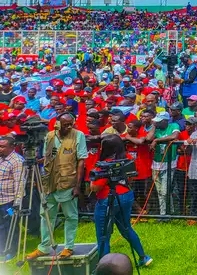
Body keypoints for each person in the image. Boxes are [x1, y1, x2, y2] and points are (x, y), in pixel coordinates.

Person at [28, 113, 87, 260]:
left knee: (70, 216)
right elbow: (48, 157)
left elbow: (81, 161)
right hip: (49, 183)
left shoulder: (78, 135)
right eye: (65, 124)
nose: (69, 126)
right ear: (58, 124)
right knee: (46, 216)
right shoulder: (49, 136)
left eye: (71, 123)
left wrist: (78, 186)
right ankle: (44, 247)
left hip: (68, 182)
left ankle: (69, 247)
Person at [89, 135, 152, 266]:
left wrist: (93, 179)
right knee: (126, 228)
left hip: (107, 199)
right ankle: (143, 257)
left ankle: (104, 268)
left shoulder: (104, 165)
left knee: (103, 236)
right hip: (126, 196)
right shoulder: (127, 159)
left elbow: (95, 187)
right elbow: (130, 178)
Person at [0, 136, 24, 260]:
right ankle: (2, 250)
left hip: (9, 201)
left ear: (11, 147)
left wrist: (17, 202)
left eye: (3, 146)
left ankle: (12, 250)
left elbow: (19, 183)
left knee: (11, 226)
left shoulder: (17, 161)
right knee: (1, 226)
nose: (0, 149)